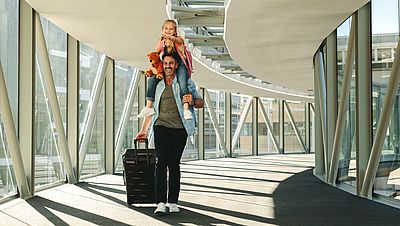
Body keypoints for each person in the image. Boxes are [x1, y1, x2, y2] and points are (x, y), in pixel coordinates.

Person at [135, 53, 203, 215]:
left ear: (176, 65)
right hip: (161, 126)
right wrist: (143, 130)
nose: (168, 66)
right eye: (165, 63)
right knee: (161, 162)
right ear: (162, 65)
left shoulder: (185, 83)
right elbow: (152, 110)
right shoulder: (157, 84)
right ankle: (160, 202)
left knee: (174, 164)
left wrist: (192, 101)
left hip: (180, 129)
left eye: (171, 63)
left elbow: (200, 102)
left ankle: (172, 201)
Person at [138, 19, 194, 120]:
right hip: (167, 65)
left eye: (171, 29)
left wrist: (171, 38)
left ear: (175, 31)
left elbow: (178, 41)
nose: (168, 30)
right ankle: (149, 106)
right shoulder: (162, 43)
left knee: (182, 83)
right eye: (166, 28)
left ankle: (186, 109)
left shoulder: (178, 40)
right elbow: (154, 55)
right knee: (152, 80)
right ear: (162, 30)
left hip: (179, 65)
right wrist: (153, 68)